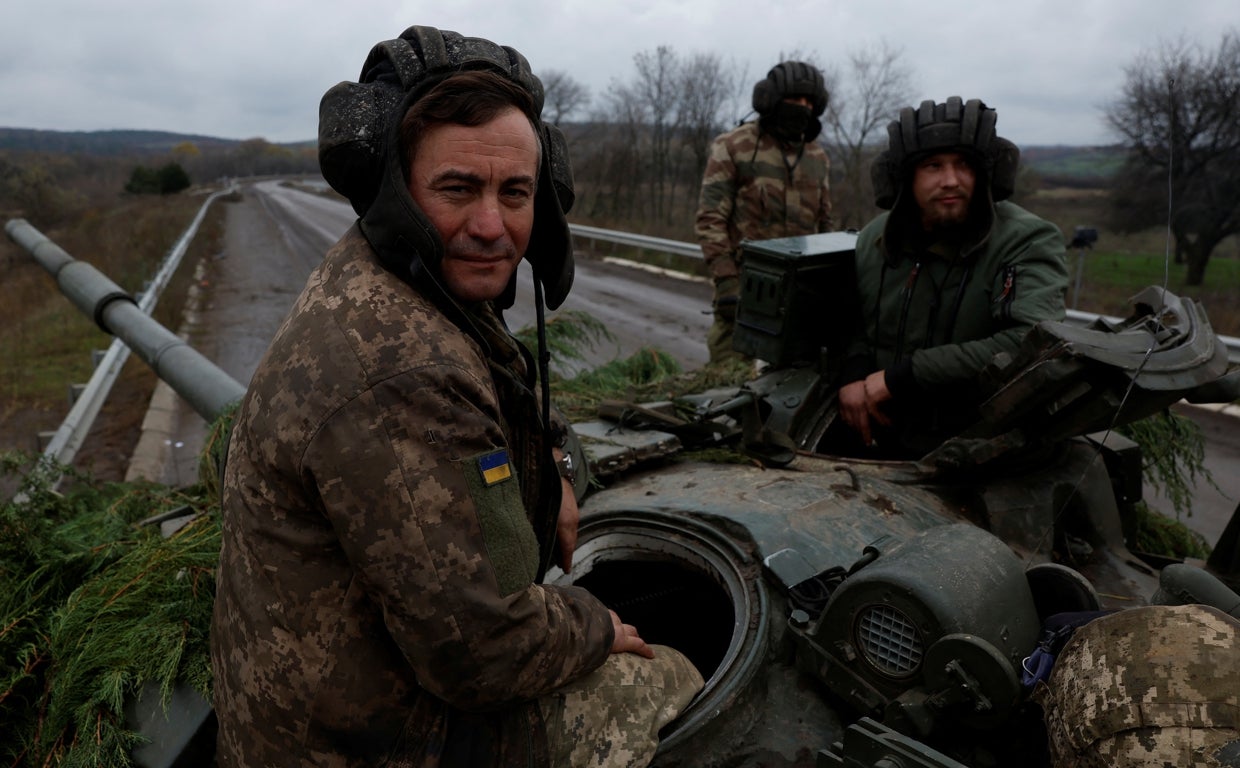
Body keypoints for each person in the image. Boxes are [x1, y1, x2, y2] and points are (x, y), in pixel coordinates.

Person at [210, 25, 702, 768]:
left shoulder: (404, 278)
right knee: (671, 679)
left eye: (516, 193)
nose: (491, 227)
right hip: (365, 744)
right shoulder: (399, 371)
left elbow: (501, 409)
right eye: (457, 189)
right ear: (394, 192)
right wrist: (595, 628)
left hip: (342, 698)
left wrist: (561, 468)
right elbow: (484, 655)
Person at [837, 97, 1069, 458]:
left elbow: (1033, 340)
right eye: (933, 166)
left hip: (978, 442)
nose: (951, 181)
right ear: (905, 177)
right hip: (881, 433)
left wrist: (904, 377)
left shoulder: (1025, 239)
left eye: (964, 165)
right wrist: (854, 375)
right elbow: (856, 321)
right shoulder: (876, 239)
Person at [694, 61, 833, 365]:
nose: (803, 107)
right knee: (726, 384)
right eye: (795, 99)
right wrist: (726, 280)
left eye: (810, 102)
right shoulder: (733, 146)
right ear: (770, 100)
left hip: (800, 293)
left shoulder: (817, 158)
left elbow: (825, 225)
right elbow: (710, 220)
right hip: (745, 287)